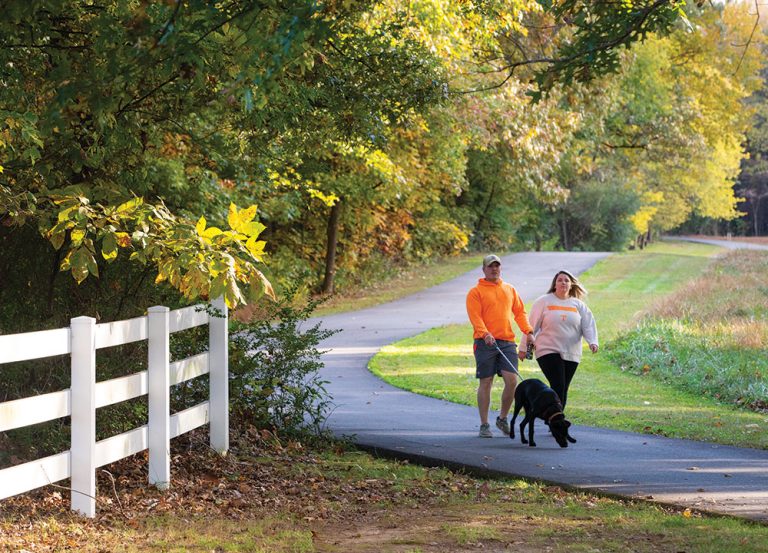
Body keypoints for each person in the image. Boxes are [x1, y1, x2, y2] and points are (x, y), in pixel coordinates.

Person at [466, 254, 535, 438]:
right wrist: (484, 333)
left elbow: (520, 312)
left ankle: (502, 418)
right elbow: (475, 317)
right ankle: (484, 424)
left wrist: (528, 332)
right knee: (486, 381)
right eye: (491, 266)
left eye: (497, 266)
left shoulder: (509, 289)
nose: (494, 269)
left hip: (506, 342)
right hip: (484, 342)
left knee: (512, 381)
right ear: (484, 269)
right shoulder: (476, 292)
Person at [519, 270, 598, 410]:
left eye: (566, 280)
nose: (563, 282)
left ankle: (556, 418)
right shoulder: (544, 301)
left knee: (563, 388)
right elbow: (531, 326)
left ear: (571, 285)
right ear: (555, 284)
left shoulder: (578, 305)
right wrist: (523, 348)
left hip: (572, 352)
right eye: (560, 280)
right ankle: (555, 417)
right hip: (547, 349)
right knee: (558, 384)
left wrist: (592, 341)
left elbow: (588, 324)